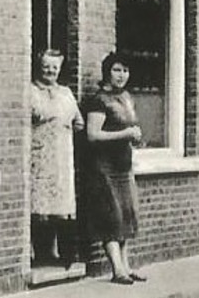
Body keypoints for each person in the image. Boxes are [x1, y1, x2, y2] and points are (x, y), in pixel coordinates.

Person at [80, 52, 144, 285]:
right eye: (117, 70)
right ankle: (117, 269)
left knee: (127, 215)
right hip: (104, 167)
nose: (121, 75)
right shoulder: (100, 100)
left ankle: (126, 266)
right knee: (111, 216)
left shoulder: (126, 97)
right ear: (108, 71)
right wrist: (125, 134)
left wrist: (135, 138)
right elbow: (92, 134)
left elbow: (130, 126)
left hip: (124, 164)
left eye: (125, 70)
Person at [27, 49, 84, 267]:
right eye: (46, 65)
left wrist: (68, 127)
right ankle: (43, 254)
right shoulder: (31, 91)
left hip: (62, 154)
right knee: (41, 203)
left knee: (63, 203)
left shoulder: (66, 93)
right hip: (40, 155)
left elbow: (78, 121)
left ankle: (67, 255)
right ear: (39, 66)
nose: (50, 70)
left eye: (55, 67)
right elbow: (32, 116)